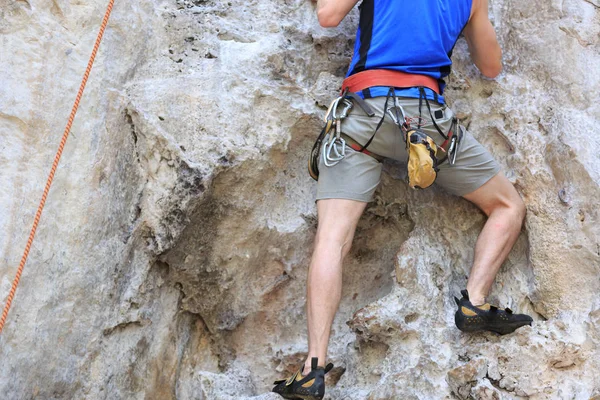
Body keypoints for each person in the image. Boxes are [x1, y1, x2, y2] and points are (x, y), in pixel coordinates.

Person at [273, 1, 533, 399]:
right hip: (426, 122)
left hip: (361, 114)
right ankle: (475, 302)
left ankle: (313, 367)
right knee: (507, 205)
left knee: (332, 240)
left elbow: (327, 16)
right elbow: (491, 66)